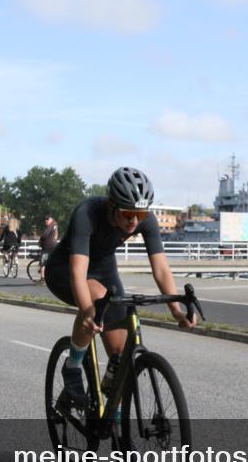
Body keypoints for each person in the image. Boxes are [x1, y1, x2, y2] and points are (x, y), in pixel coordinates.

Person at [45, 167, 195, 408]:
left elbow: (162, 269)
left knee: (121, 355)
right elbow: (78, 273)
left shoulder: (143, 219)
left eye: (141, 215)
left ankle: (113, 420)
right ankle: (72, 368)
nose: (134, 221)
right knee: (95, 298)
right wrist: (87, 312)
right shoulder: (88, 213)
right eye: (127, 214)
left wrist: (176, 310)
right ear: (112, 205)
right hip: (65, 270)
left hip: (105, 271)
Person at [38, 214, 59, 280]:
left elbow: (45, 234)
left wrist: (41, 238)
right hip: (54, 246)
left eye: (48, 219)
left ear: (51, 219)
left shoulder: (50, 226)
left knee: (43, 262)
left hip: (47, 247)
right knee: (52, 261)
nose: (46, 220)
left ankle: (42, 278)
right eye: (45, 219)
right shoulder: (55, 225)